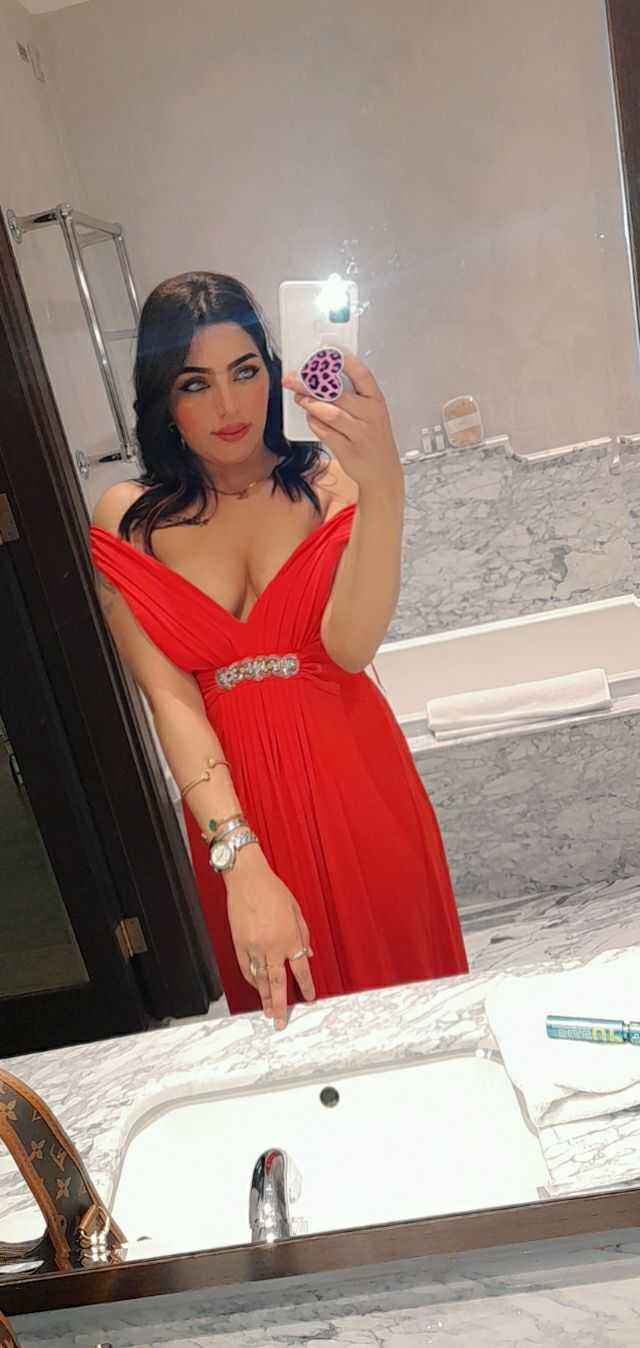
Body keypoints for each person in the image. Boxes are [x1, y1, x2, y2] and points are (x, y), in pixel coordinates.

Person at [91, 272, 468, 1029]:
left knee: (414, 1028)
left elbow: (351, 648)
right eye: (195, 384)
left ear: (273, 370)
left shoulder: (330, 482)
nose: (229, 407)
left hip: (360, 786)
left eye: (245, 371)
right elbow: (170, 697)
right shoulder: (129, 518)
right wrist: (240, 860)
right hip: (237, 815)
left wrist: (384, 484)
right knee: (290, 1035)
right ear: (162, 398)